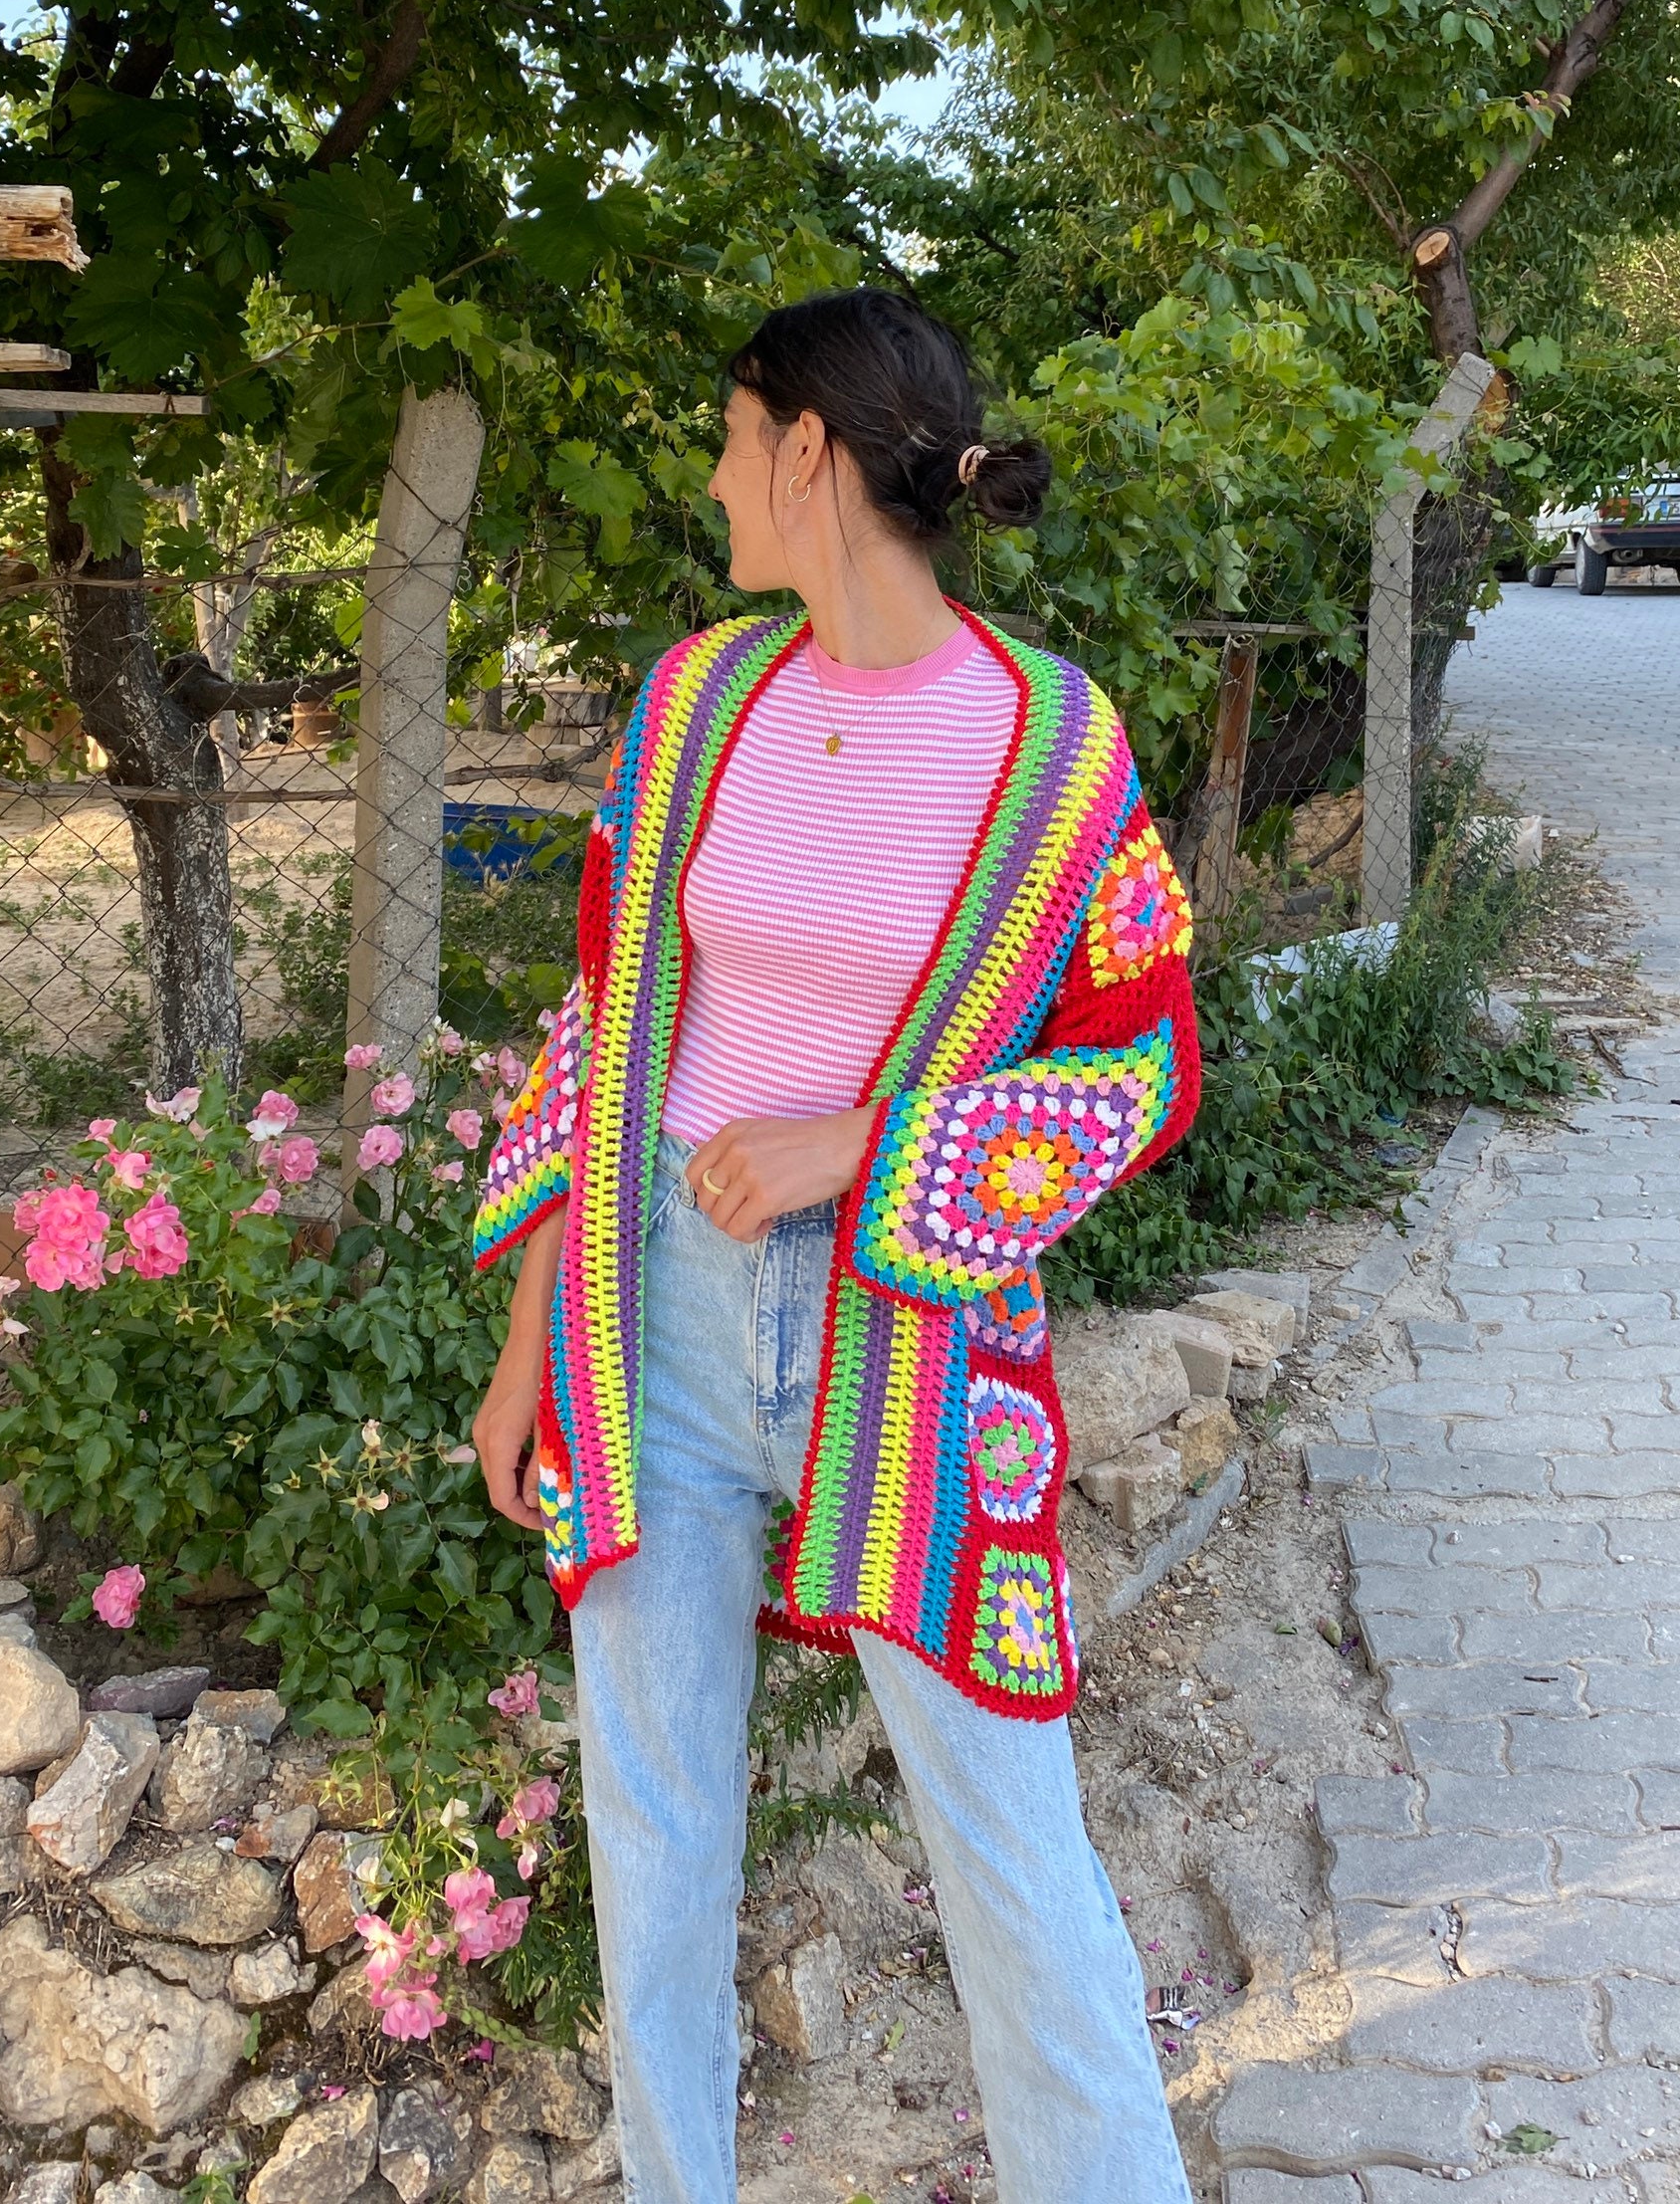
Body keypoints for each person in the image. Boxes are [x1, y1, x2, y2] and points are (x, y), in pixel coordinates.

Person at [470, 287, 1200, 2204]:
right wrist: (534, 1319)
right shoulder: (698, 701)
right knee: (653, 1830)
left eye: (727, 442)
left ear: (806, 455)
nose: (709, 481)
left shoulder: (1051, 747)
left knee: (1007, 1841)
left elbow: (1144, 1063)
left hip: (926, 1362)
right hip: (655, 1331)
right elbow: (605, 1015)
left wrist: (863, 1146)